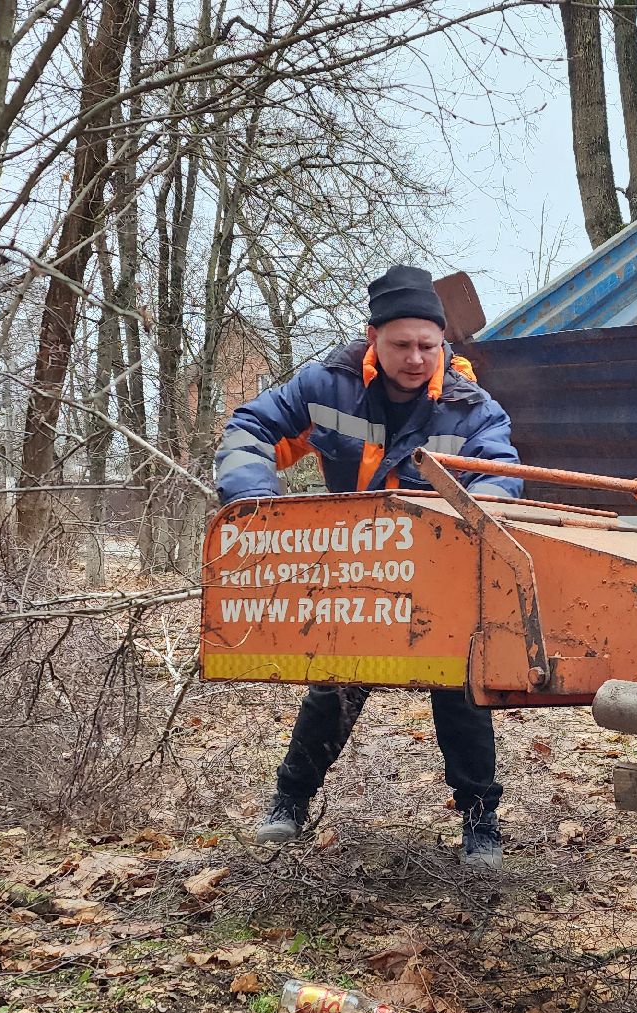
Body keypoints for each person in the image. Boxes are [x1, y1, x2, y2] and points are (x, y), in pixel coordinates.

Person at [214, 265, 522, 870]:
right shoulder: (325, 387)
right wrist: (254, 506)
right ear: (372, 338)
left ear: (442, 345)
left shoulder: (472, 409)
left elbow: (503, 478)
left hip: (440, 570)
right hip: (354, 565)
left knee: (460, 688)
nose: (415, 358)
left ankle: (481, 821)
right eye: (401, 345)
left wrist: (479, 521)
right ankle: (289, 802)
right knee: (335, 682)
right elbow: (249, 430)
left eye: (427, 346)